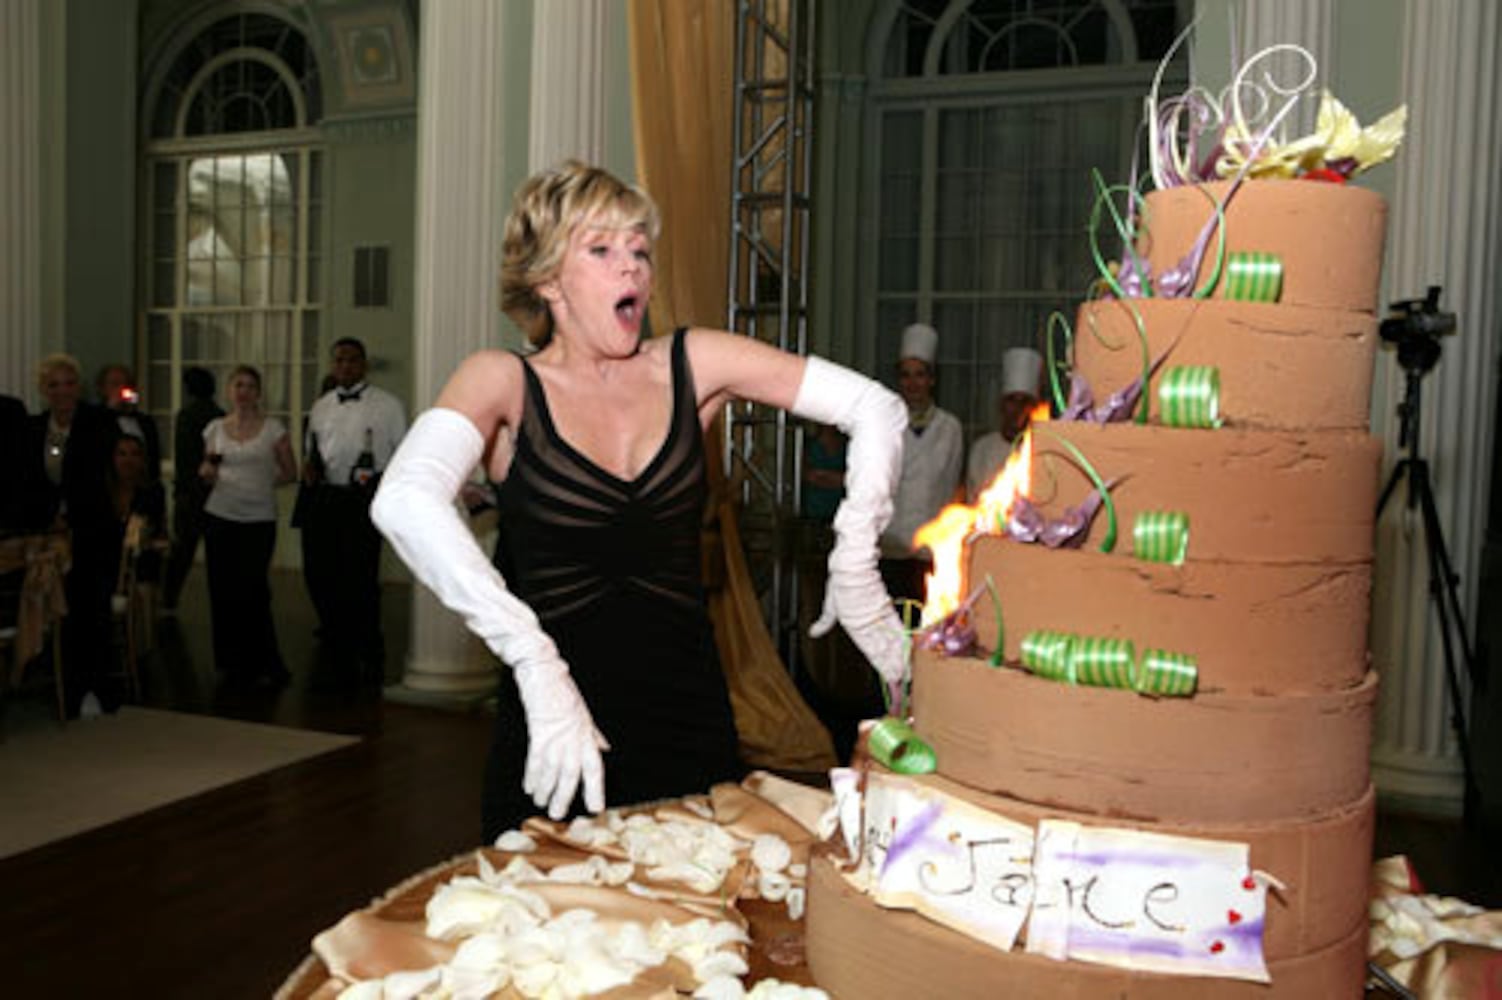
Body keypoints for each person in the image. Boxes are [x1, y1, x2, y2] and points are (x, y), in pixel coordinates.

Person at [372, 160, 907, 840]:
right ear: (547, 280)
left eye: (640, 250)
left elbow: (876, 408)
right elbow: (405, 498)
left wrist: (854, 569)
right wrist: (535, 662)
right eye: (601, 249)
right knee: (546, 902)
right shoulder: (501, 380)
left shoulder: (692, 363)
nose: (631, 266)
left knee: (695, 901)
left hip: (689, 721)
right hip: (558, 732)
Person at [301, 339, 406, 683]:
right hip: (328, 498)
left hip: (366, 499)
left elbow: (402, 455)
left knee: (362, 576)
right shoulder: (320, 407)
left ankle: (370, 646)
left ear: (364, 365)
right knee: (326, 574)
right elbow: (313, 452)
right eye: (339, 360)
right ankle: (337, 642)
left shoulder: (389, 406)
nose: (345, 366)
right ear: (332, 365)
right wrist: (310, 469)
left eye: (352, 360)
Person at [21, 354, 121, 715]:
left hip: (93, 531)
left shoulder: (100, 422)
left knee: (93, 610)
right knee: (62, 613)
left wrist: (71, 511)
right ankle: (67, 688)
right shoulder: (33, 428)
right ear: (43, 390)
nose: (62, 391)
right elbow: (30, 480)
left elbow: (99, 476)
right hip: (51, 534)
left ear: (78, 387)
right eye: (54, 385)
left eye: (69, 383)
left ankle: (98, 688)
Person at [200, 365, 296, 687]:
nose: (244, 392)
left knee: (254, 590)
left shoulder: (273, 429)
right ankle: (229, 661)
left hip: (258, 519)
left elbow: (290, 472)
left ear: (258, 393)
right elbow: (207, 468)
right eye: (238, 385)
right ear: (229, 391)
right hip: (219, 515)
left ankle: (265, 662)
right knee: (222, 590)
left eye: (250, 386)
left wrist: (260, 484)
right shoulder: (215, 429)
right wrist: (207, 474)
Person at [878, 323, 963, 604]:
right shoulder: (885, 424)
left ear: (932, 379)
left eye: (920, 375)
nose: (913, 383)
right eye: (905, 375)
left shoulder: (950, 427)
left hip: (930, 552)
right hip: (890, 548)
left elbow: (950, 486)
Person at [162, 366, 224, 611]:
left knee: (182, 551)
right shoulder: (219, 415)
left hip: (190, 492)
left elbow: (184, 458)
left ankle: (169, 600)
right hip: (216, 491)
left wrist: (182, 489)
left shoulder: (187, 415)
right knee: (217, 554)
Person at [967, 346, 1044, 500]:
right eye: (1012, 400)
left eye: (1024, 402)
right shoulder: (982, 450)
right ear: (1001, 404)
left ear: (1033, 408)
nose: (1017, 408)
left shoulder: (1041, 453)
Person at [96, 363, 162, 482]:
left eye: (127, 384)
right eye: (115, 384)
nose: (122, 388)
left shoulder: (145, 422)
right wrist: (110, 410)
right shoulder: (94, 419)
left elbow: (153, 457)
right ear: (103, 389)